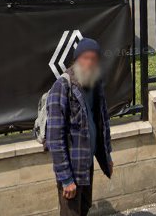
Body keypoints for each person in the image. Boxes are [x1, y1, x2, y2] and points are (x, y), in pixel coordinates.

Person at [45, 37, 113, 216]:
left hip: (86, 163)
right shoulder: (62, 86)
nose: (89, 63)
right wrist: (66, 178)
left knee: (84, 208)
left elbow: (102, 122)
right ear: (76, 59)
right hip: (71, 167)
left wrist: (107, 156)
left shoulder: (95, 84)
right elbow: (55, 137)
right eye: (85, 58)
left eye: (93, 59)